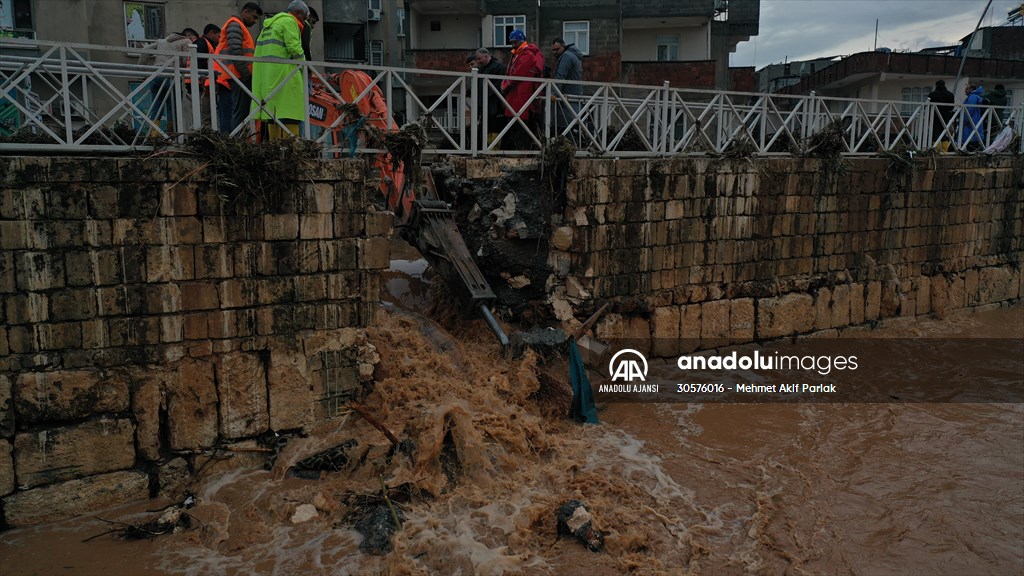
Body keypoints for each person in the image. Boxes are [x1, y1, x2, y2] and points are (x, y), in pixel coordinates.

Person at [252, 0, 309, 140]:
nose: (304, 22)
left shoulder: (268, 26)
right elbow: (294, 48)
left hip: (267, 76)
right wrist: (304, 67)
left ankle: (275, 148)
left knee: (273, 116)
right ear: (298, 13)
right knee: (289, 114)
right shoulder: (289, 21)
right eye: (304, 18)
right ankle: (290, 150)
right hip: (284, 76)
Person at [213, 2, 263, 134]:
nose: (254, 21)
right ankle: (236, 141)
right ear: (245, 12)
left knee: (239, 111)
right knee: (239, 112)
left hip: (236, 74)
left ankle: (236, 140)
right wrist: (246, 74)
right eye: (253, 17)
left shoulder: (237, 25)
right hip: (238, 75)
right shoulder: (235, 24)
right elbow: (236, 52)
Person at [138, 31, 194, 132]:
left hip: (157, 74)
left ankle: (154, 134)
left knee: (156, 105)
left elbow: (145, 50)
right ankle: (172, 134)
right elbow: (186, 60)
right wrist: (184, 70)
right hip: (171, 75)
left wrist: (143, 73)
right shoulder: (186, 41)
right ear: (187, 35)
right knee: (172, 106)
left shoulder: (161, 41)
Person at [500, 29, 544, 150]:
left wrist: (504, 85)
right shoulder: (520, 53)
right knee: (517, 124)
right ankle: (519, 149)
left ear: (521, 41)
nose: (513, 44)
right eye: (512, 42)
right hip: (518, 94)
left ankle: (522, 150)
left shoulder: (527, 55)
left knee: (520, 125)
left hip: (521, 94)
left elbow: (517, 74)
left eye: (515, 42)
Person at [550, 37, 583, 138]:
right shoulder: (572, 56)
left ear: (563, 46)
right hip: (572, 101)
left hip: (567, 102)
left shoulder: (566, 57)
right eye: (553, 50)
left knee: (565, 135)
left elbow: (560, 76)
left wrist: (553, 94)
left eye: (557, 49)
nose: (555, 52)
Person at [474, 47, 506, 146]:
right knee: (484, 129)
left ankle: (493, 149)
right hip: (483, 105)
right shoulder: (481, 69)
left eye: (479, 59)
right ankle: (484, 148)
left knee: (494, 128)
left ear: (486, 56)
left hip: (495, 105)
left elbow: (498, 85)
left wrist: (486, 95)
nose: (478, 61)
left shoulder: (498, 67)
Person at [927, 79, 954, 152]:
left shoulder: (932, 94)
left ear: (936, 85)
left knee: (935, 133)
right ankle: (945, 150)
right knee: (944, 133)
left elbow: (927, 104)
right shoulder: (950, 94)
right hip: (945, 116)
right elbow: (951, 107)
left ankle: (936, 149)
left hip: (934, 116)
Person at [960, 84, 985, 151]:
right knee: (974, 137)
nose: (965, 90)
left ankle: (967, 150)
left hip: (971, 121)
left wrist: (964, 120)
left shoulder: (972, 97)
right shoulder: (975, 96)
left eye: (967, 89)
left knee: (970, 138)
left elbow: (969, 109)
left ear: (971, 89)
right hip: (975, 119)